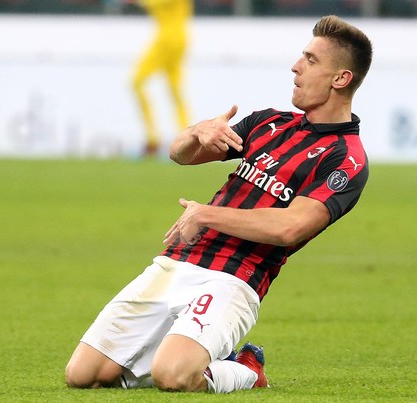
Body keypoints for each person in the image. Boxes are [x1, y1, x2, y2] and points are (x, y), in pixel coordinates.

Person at [66, 15, 373, 393]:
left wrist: (206, 213)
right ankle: (188, 353)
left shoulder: (345, 159)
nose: (295, 66)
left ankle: (244, 369)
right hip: (177, 261)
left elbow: (289, 227)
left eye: (310, 60)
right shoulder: (268, 123)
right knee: (82, 377)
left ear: (340, 79)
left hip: (234, 278)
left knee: (174, 377)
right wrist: (196, 131)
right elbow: (182, 156)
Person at [129, 0, 192, 157]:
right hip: (177, 37)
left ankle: (153, 139)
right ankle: (187, 140)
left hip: (168, 40)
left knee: (137, 82)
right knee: (175, 89)